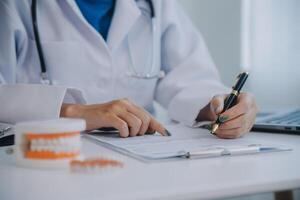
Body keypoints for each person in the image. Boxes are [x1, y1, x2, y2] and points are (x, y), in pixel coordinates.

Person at [0, 0, 258, 139]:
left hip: (140, 159)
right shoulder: (14, 6)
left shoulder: (158, 6)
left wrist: (220, 108)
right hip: (45, 159)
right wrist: (74, 112)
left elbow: (189, 77)